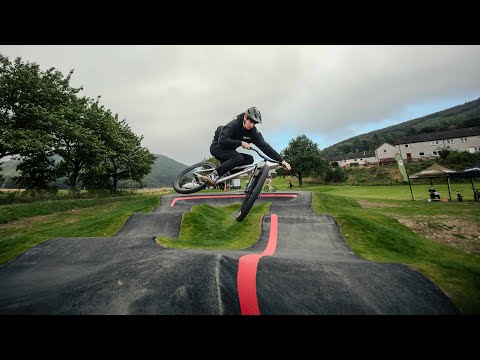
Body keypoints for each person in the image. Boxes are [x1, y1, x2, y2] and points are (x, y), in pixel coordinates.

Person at [205, 106, 291, 185]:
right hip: (218, 148)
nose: (252, 125)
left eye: (255, 123)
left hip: (229, 152)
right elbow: (222, 140)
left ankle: (225, 174)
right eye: (251, 122)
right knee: (238, 158)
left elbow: (265, 147)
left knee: (249, 159)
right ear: (245, 118)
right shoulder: (234, 125)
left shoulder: (253, 133)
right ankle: (213, 175)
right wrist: (241, 143)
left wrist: (282, 161)